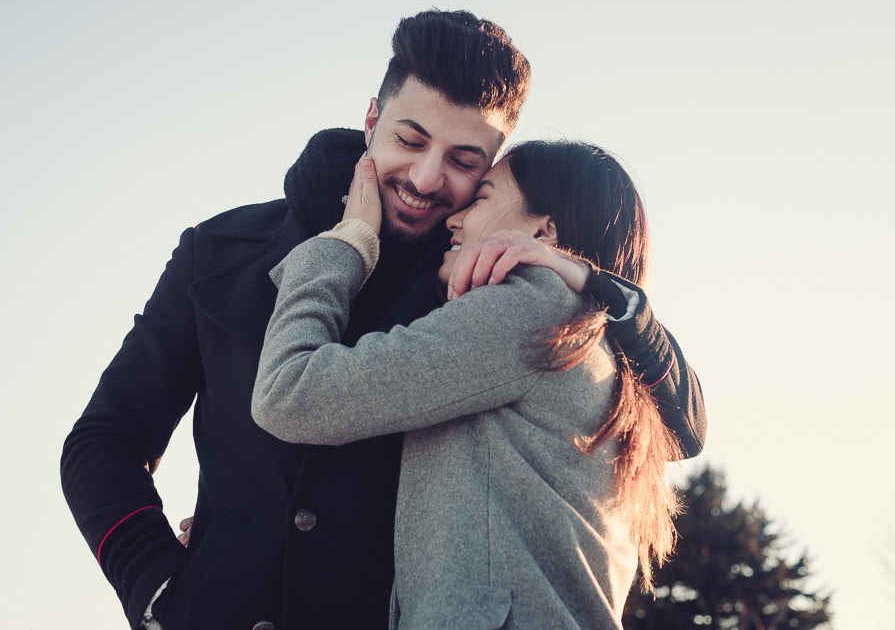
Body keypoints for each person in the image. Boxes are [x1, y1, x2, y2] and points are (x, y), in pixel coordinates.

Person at [61, 10, 704, 630]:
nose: (427, 179)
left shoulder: (490, 285)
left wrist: (592, 279)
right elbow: (104, 440)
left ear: (494, 161)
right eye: (410, 140)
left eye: (464, 162)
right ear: (372, 120)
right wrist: (157, 583)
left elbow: (686, 417)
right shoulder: (220, 249)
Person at [252, 140, 680, 629]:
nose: (453, 220)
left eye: (481, 198)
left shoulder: (531, 310)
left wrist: (341, 245)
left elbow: (290, 395)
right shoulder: (595, 343)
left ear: (544, 230)